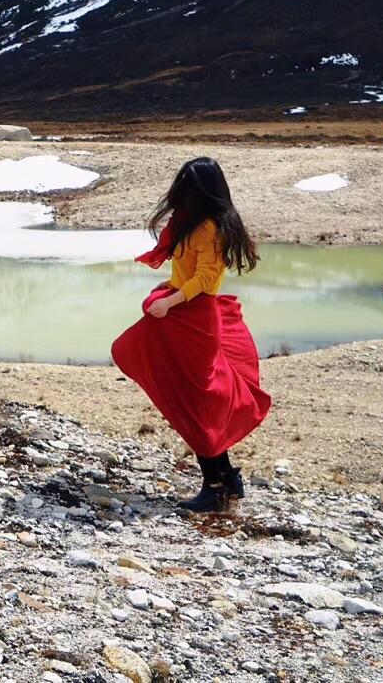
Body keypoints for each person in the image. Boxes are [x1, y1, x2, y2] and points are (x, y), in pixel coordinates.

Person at [111, 157, 272, 513]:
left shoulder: (209, 229)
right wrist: (169, 292)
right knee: (194, 398)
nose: (178, 192)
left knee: (197, 401)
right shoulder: (190, 223)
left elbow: (206, 279)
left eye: (186, 186)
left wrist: (172, 302)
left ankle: (216, 487)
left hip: (195, 318)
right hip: (184, 310)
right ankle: (226, 479)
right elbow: (187, 273)